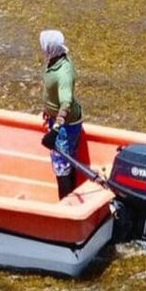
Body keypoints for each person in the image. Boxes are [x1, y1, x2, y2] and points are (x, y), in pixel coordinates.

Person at [39, 30, 84, 199]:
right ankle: (71, 196)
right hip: (61, 120)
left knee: (62, 166)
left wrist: (55, 129)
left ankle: (65, 201)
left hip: (65, 126)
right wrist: (48, 110)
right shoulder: (57, 60)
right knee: (68, 162)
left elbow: (66, 102)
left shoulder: (63, 73)